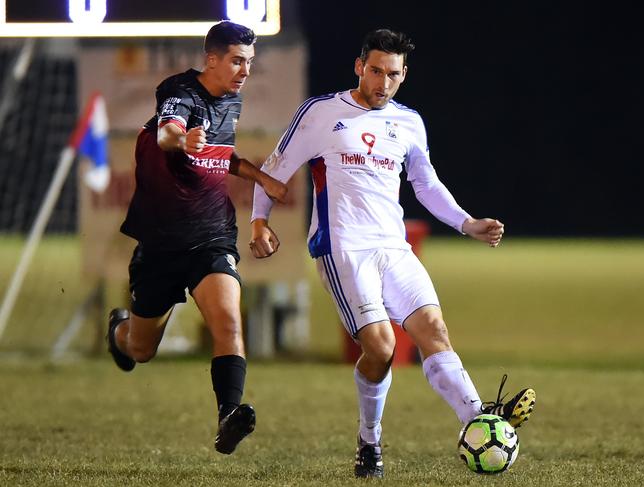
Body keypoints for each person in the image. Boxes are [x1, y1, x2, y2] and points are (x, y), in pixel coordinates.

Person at [249, 28, 535, 478]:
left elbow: (425, 183)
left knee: (434, 330)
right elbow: (274, 170)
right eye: (376, 70)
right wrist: (258, 221)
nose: (383, 82)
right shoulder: (321, 113)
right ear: (360, 67)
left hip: (393, 247)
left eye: (393, 74)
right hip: (343, 248)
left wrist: (466, 222)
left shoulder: (408, 122)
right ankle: (370, 439)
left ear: (404, 76)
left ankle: (480, 420)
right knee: (380, 348)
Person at [106, 20, 288, 456]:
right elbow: (169, 133)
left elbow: (222, 155)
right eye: (237, 61)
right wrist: (182, 141)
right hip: (161, 246)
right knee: (141, 350)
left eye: (249, 62)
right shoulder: (180, 92)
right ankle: (119, 331)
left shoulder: (232, 101)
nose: (244, 70)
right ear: (212, 59)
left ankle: (229, 414)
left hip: (211, 239)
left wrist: (262, 178)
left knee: (228, 321)